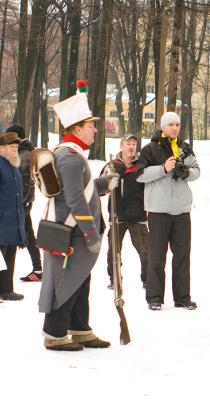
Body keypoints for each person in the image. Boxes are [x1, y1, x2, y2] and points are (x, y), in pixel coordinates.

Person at [39, 80, 117, 350]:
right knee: (66, 282)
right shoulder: (70, 157)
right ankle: (55, 333)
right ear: (76, 129)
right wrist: (90, 233)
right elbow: (74, 200)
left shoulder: (72, 154)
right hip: (74, 234)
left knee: (81, 280)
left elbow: (80, 191)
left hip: (75, 232)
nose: (96, 129)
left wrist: (103, 184)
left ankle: (79, 328)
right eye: (91, 126)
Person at [137, 112, 201, 311]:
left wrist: (187, 173)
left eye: (177, 124)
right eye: (171, 124)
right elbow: (140, 175)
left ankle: (182, 297)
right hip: (158, 209)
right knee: (157, 255)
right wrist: (163, 168)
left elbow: (197, 170)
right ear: (163, 126)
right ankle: (155, 298)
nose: (175, 128)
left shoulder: (184, 148)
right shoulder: (150, 149)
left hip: (181, 209)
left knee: (182, 254)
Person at [100, 134, 148, 289]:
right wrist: (108, 183)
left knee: (146, 251)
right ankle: (114, 279)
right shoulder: (112, 165)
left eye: (134, 144)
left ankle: (147, 279)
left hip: (138, 215)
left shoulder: (142, 165)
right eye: (128, 144)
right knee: (113, 251)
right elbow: (99, 189)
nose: (131, 147)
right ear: (121, 146)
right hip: (117, 215)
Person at [4, 124, 43, 282]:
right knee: (27, 233)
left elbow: (25, 183)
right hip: (20, 204)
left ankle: (38, 269)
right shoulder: (22, 152)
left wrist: (20, 205)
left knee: (24, 234)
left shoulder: (24, 155)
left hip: (20, 204)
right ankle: (38, 268)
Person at [0, 132, 26, 301]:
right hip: (1, 221)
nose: (15, 150)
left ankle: (6, 289)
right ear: (1, 148)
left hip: (13, 222)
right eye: (12, 147)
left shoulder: (14, 166)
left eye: (17, 147)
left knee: (9, 256)